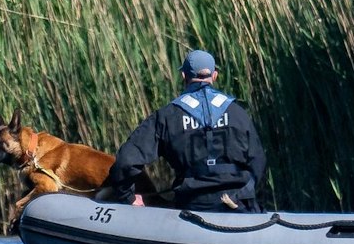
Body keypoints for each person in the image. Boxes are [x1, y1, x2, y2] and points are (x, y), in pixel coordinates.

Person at [99, 49, 268, 212]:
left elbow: (126, 162)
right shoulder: (238, 113)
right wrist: (245, 194)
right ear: (214, 76)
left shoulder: (167, 116)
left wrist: (127, 197)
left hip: (192, 206)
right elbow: (258, 161)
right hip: (238, 206)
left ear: (184, 76)